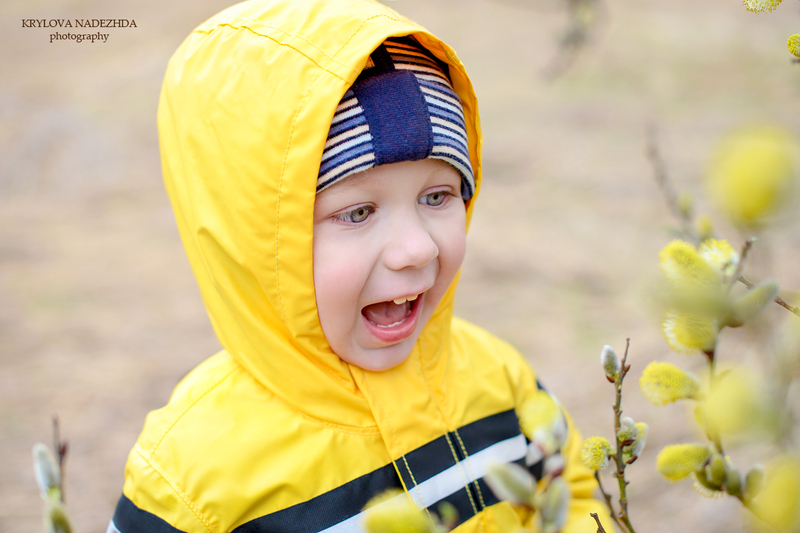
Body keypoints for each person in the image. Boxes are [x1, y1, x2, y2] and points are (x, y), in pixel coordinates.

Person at [108, 0, 609, 531]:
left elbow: (576, 498)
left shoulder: (500, 380)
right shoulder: (192, 477)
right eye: (358, 212)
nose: (417, 248)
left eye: (437, 196)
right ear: (253, 243)